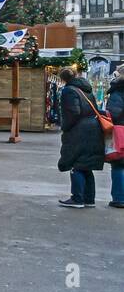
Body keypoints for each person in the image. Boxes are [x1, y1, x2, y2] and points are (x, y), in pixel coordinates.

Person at [57, 66, 105, 208]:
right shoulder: (86, 89)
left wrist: (65, 127)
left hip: (79, 130)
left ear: (63, 78)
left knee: (76, 163)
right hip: (93, 128)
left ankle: (77, 198)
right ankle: (89, 199)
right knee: (86, 165)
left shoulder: (68, 91)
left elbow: (73, 111)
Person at [105, 66, 124, 208]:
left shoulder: (118, 91)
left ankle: (119, 198)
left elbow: (115, 113)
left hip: (121, 131)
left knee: (119, 164)